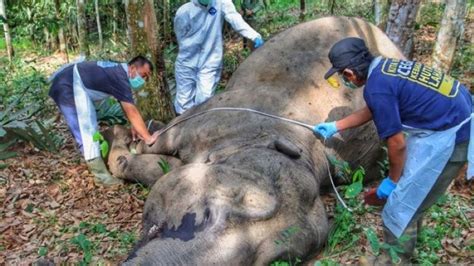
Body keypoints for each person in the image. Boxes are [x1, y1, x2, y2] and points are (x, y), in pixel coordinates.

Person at [313, 37, 473, 264]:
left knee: (401, 206)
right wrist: (336, 126)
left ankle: (393, 259)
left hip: (451, 139)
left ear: (350, 73)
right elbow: (376, 108)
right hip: (450, 122)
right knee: (412, 198)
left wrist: (392, 181)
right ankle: (407, 247)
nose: (344, 79)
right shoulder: (385, 69)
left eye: (342, 75)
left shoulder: (378, 88)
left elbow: (397, 143)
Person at [49, 56, 159, 186]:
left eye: (146, 78)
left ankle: (97, 165)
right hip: (69, 83)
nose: (144, 80)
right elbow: (131, 110)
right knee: (87, 129)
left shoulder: (119, 72)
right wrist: (148, 138)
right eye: (143, 75)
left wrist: (133, 126)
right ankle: (101, 176)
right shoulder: (120, 77)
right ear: (133, 68)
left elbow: (124, 104)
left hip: (70, 80)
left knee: (89, 126)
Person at [173, 0, 265, 115]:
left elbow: (235, 19)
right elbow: (180, 36)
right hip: (187, 61)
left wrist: (254, 35)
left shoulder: (221, 3)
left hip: (210, 60)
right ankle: (182, 129)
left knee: (204, 101)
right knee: (183, 103)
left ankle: (201, 129)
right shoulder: (184, 11)